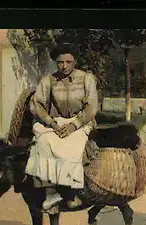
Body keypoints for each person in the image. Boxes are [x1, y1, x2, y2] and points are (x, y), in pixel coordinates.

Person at [25, 42, 99, 211]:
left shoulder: (86, 79)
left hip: (81, 121)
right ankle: (50, 190)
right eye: (60, 62)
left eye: (69, 62)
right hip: (58, 121)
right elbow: (37, 104)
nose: (64, 66)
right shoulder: (48, 81)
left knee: (74, 144)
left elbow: (92, 107)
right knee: (43, 140)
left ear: (75, 62)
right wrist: (51, 122)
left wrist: (75, 125)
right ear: (55, 62)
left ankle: (72, 192)